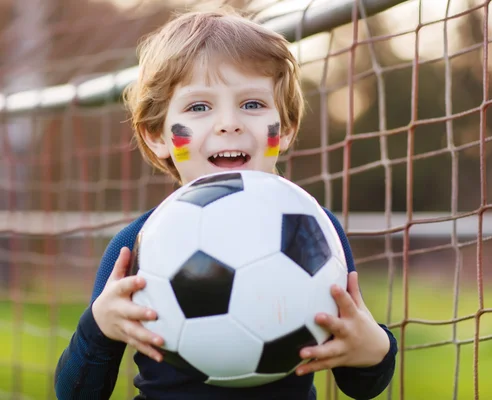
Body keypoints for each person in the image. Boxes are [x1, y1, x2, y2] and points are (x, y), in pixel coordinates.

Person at [54, 7, 397, 400]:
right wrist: (99, 326)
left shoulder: (314, 232)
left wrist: (376, 350)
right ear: (156, 135)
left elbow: (360, 384)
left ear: (284, 129)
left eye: (252, 104)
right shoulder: (137, 245)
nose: (229, 123)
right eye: (199, 107)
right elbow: (75, 394)